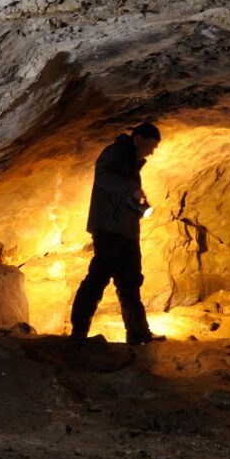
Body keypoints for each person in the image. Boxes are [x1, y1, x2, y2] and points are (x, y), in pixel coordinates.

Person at [69, 121, 161, 344]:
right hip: (110, 228)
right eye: (151, 144)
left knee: (130, 283)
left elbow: (124, 196)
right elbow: (103, 178)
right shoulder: (114, 153)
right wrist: (132, 188)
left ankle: (138, 333)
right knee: (98, 279)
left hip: (127, 232)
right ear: (137, 138)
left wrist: (140, 207)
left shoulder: (131, 163)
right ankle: (79, 332)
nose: (152, 150)